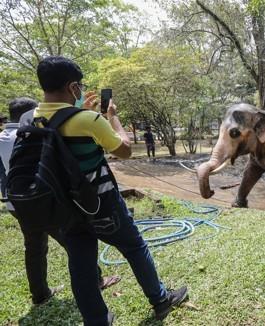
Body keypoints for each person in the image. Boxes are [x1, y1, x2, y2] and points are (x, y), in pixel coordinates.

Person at [33, 56, 188, 325]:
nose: (80, 91)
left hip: (65, 209)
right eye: (79, 86)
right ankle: (161, 300)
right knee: (135, 247)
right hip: (101, 204)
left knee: (81, 266)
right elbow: (125, 151)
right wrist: (111, 118)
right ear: (72, 87)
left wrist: (90, 117)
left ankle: (97, 321)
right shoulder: (89, 119)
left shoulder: (34, 118)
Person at [1, 98, 120, 306]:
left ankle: (40, 294)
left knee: (34, 247)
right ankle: (97, 280)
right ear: (30, 113)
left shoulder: (3, 137)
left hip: (16, 203)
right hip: (46, 200)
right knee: (74, 241)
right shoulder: (33, 133)